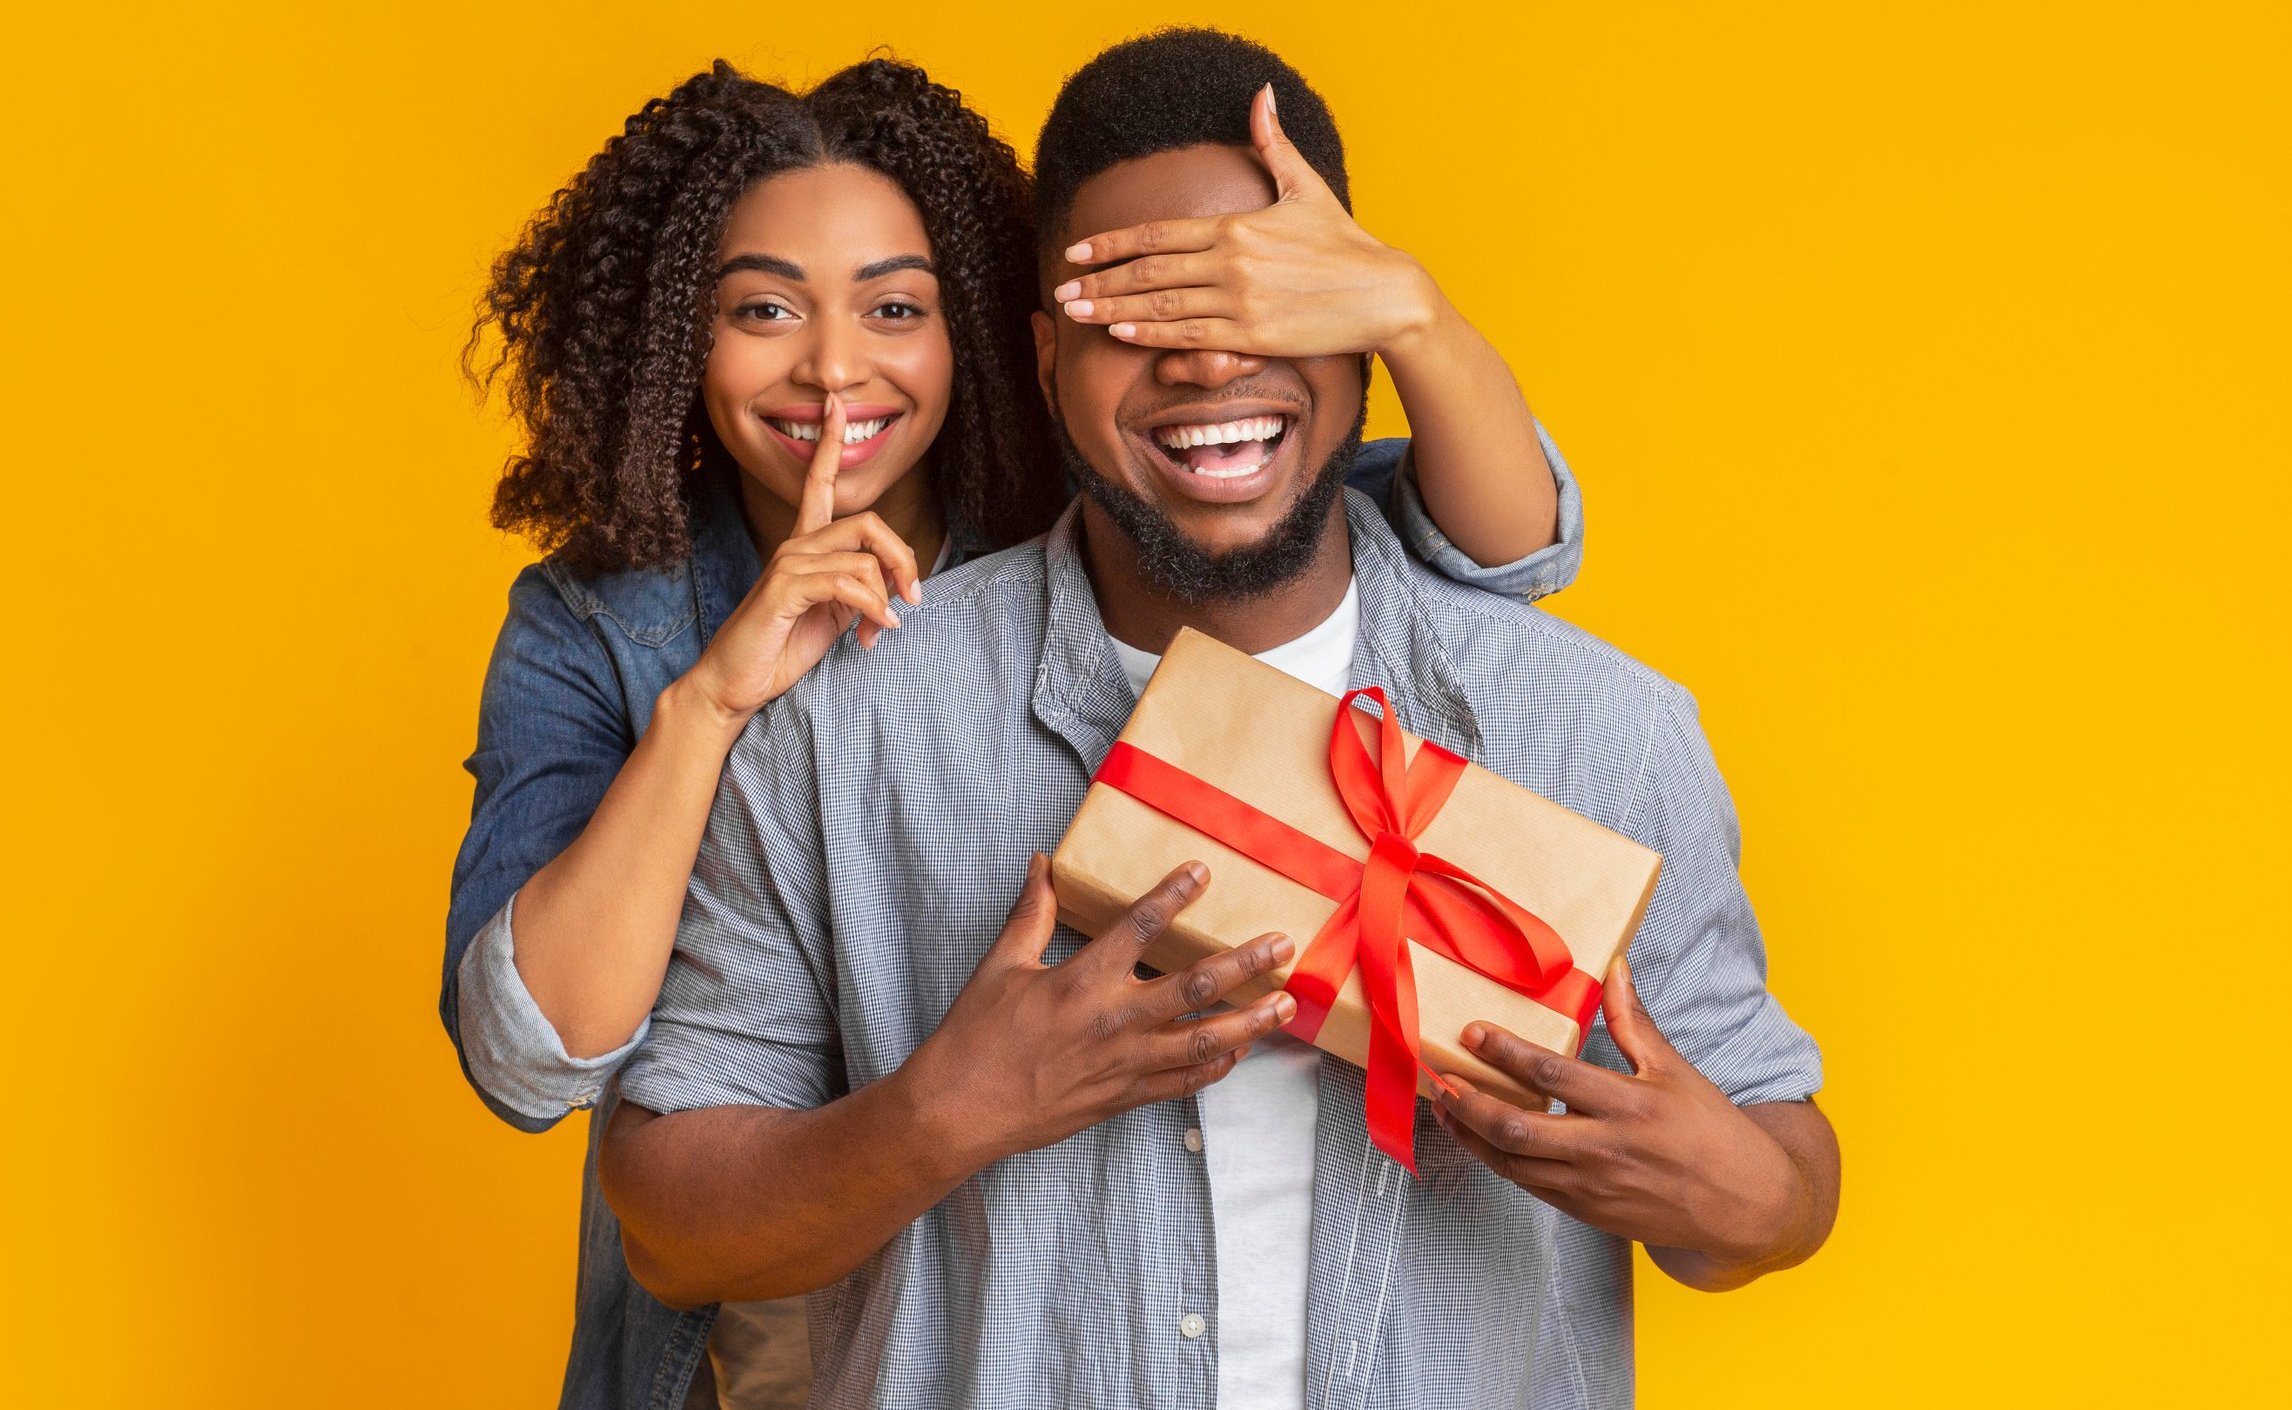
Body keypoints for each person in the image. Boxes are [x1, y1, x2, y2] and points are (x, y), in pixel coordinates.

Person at [601, 29, 1839, 1410]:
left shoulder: (1602, 729)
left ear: (1362, 330)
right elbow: (667, 1223)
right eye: (1133, 312)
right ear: (1046, 354)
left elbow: (1782, 1173)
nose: (1202, 365)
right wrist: (942, 1114)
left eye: (1264, 301)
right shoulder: (841, 724)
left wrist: (1741, 1192)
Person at [447, 53, 1589, 1410]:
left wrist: (1406, 308)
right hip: (754, 1322)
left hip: (1012, 1307)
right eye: (763, 308)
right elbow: (533, 1058)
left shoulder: (1104, 524)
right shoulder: (599, 625)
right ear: (668, 341)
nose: (833, 365)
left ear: (988, 335)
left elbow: (1504, 557)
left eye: (895, 307)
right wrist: (712, 702)